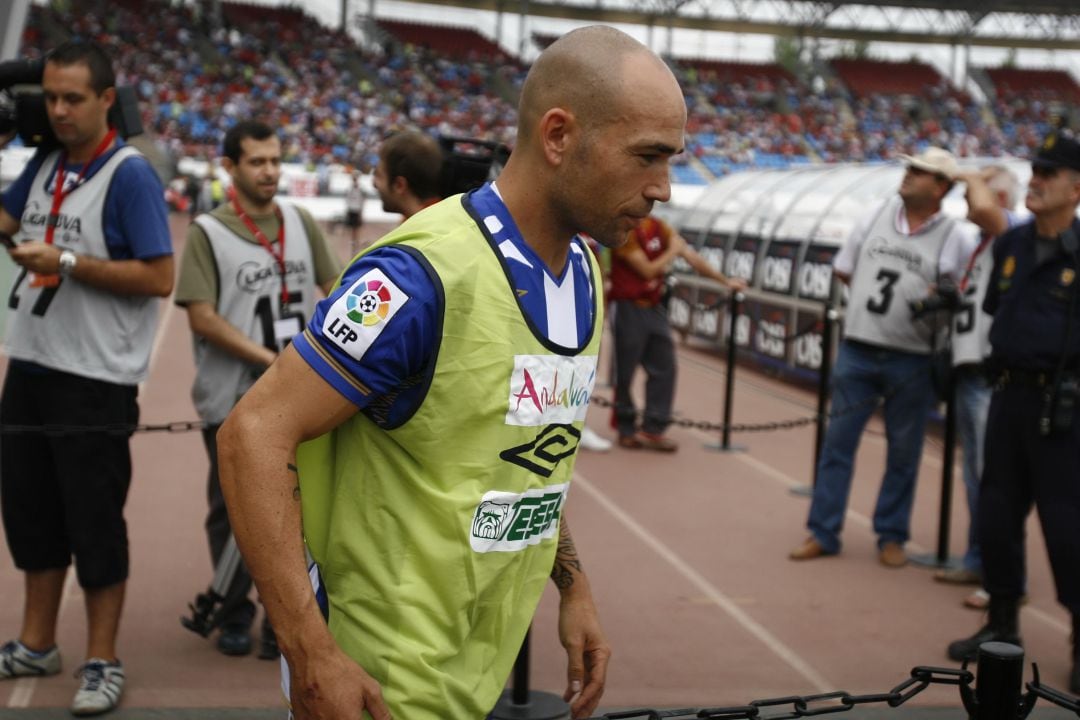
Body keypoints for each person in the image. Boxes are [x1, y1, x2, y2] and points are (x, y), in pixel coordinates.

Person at [217, 25, 686, 719]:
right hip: (380, 685)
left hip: (477, 671)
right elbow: (252, 433)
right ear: (558, 136)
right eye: (649, 156)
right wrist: (311, 653)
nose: (665, 189)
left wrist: (574, 587)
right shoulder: (419, 274)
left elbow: (530, 458)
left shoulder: (584, 271)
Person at [0, 40, 174, 715]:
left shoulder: (130, 175)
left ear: (107, 99)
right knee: (31, 515)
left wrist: (67, 259)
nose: (60, 110)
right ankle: (35, 641)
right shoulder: (44, 162)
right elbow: (6, 224)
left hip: (95, 380)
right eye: (50, 98)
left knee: (94, 523)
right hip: (32, 362)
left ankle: (103, 658)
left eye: (74, 98)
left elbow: (159, 276)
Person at [174, 120, 342, 659]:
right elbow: (202, 317)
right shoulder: (208, 231)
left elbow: (335, 289)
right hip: (233, 397)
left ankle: (284, 611)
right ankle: (235, 609)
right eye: (256, 162)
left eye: (274, 160)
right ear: (230, 168)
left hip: (300, 398)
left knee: (302, 504)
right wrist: (273, 361)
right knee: (232, 508)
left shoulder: (300, 221)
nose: (269, 171)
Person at [789, 147, 976, 567]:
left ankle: (891, 535)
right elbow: (845, 268)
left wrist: (935, 300)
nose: (908, 175)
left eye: (921, 172)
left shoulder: (956, 235)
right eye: (909, 168)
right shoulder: (875, 214)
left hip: (912, 359)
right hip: (858, 348)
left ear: (941, 187)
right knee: (837, 445)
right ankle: (823, 530)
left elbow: (962, 291)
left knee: (904, 451)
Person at [947, 134, 1080, 695]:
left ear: (1076, 188)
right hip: (1008, 397)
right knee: (997, 516)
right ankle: (1002, 625)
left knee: (1069, 528)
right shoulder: (1013, 245)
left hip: (1064, 408)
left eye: (1049, 172)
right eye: (1035, 169)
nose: (1037, 179)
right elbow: (998, 310)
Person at [933, 166, 1024, 607]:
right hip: (971, 372)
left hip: (989, 376)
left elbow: (987, 208)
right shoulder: (984, 244)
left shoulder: (1013, 229)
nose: (969, 206)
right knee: (977, 478)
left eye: (974, 198)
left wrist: (972, 175)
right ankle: (979, 558)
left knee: (995, 480)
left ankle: (1003, 577)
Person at [609, 215, 745, 451]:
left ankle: (653, 428)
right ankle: (626, 428)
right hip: (627, 307)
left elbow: (691, 257)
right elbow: (648, 270)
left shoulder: (658, 227)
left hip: (654, 307)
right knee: (625, 372)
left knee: (665, 365)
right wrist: (672, 251)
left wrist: (725, 281)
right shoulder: (625, 229)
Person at [371, 129, 443, 220]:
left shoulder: (420, 229)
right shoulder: (440, 215)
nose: (373, 184)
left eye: (378, 175)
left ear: (399, 185)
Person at [344, 171, 365, 254]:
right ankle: (353, 242)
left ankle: (356, 242)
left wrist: (361, 211)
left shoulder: (360, 189)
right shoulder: (349, 188)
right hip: (351, 209)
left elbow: (362, 200)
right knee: (351, 228)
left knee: (356, 228)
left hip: (357, 210)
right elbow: (347, 199)